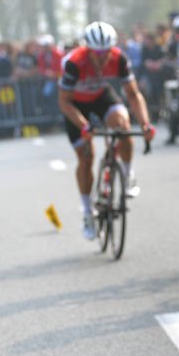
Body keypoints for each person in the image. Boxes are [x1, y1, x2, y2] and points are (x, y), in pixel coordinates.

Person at [58, 22, 154, 239]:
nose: (102, 58)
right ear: (87, 49)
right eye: (96, 53)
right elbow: (63, 102)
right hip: (75, 105)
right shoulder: (74, 63)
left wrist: (146, 123)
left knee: (123, 126)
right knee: (86, 156)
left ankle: (127, 174)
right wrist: (84, 126)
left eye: (106, 52)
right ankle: (86, 211)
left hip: (101, 97)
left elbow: (133, 94)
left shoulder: (119, 59)